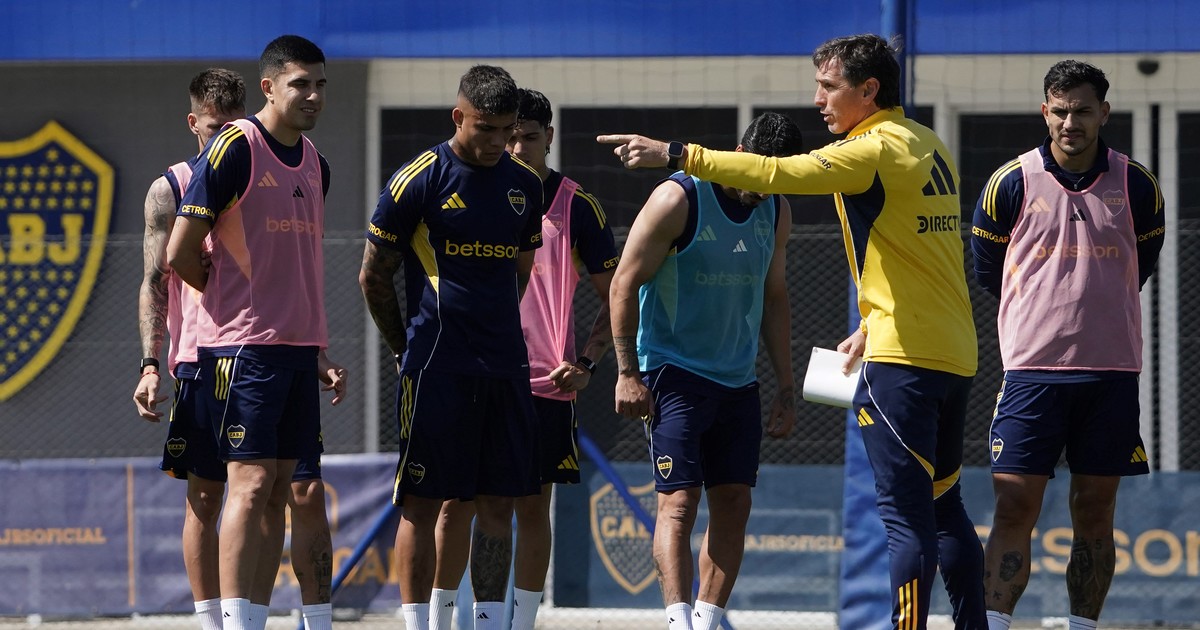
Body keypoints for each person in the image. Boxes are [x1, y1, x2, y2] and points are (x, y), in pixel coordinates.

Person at [599, 33, 987, 630]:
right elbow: (923, 256)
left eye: (829, 87)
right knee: (944, 506)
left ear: (869, 90)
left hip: (904, 361)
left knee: (906, 520)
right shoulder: (927, 142)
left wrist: (676, 152)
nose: (818, 100)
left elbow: (779, 173)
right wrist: (871, 323)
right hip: (952, 351)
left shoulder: (870, 149)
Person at [132, 67, 336, 630]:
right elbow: (156, 278)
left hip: (273, 349)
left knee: (286, 490)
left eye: (232, 126)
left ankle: (260, 616)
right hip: (206, 357)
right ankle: (214, 621)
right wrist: (150, 363)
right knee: (208, 495)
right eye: (212, 128)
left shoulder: (269, 159)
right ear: (192, 123)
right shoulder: (172, 187)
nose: (223, 136)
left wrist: (317, 347)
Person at [970, 60, 1165, 630]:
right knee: (1014, 505)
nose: (1070, 122)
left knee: (1096, 512)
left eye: (1082, 110)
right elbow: (988, 271)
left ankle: (1084, 626)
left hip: (1111, 375)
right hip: (1032, 374)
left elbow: (1140, 265)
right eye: (1059, 111)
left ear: (1104, 112)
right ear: (1044, 112)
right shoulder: (1010, 182)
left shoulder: (1137, 184)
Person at [425, 87, 620, 630]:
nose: (515, 148)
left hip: (542, 384)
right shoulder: (461, 186)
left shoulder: (576, 205)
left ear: (549, 137)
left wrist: (588, 362)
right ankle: (441, 622)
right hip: (468, 372)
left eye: (528, 138)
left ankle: (521, 623)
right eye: (507, 137)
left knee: (532, 507)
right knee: (455, 504)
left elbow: (620, 295)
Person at [358, 65, 544, 630]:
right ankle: (420, 624)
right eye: (486, 128)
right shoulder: (418, 179)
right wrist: (404, 349)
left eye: (508, 130)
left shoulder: (525, 186)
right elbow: (373, 276)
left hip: (505, 367)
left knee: (498, 504)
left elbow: (520, 272)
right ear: (459, 116)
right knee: (423, 502)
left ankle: (488, 623)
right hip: (436, 366)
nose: (498, 142)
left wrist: (493, 326)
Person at [609, 111, 799, 630]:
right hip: (674, 372)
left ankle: (707, 619)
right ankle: (678, 622)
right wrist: (627, 373)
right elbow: (624, 283)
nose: (761, 189)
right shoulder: (679, 199)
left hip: (738, 380)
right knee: (679, 501)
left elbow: (775, 296)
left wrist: (786, 386)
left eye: (773, 179)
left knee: (734, 501)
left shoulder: (776, 209)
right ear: (737, 153)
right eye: (755, 174)